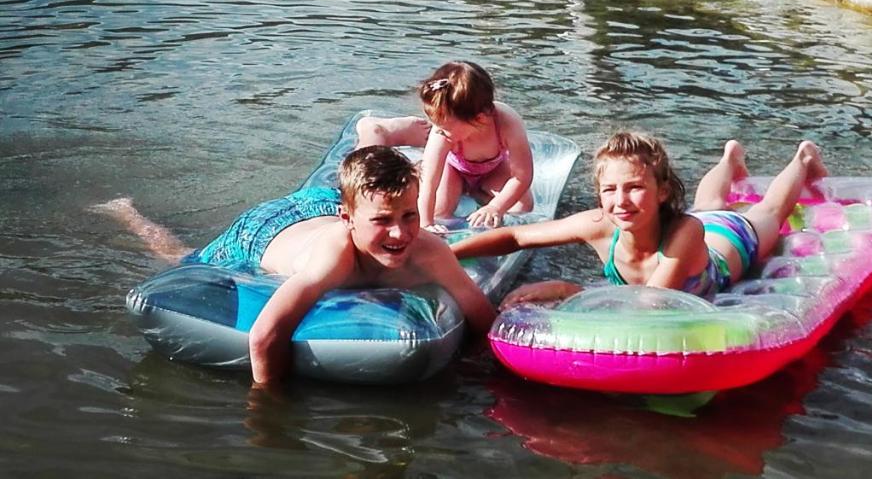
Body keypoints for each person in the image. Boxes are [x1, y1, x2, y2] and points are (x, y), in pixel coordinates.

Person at [94, 145, 496, 384]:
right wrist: (269, 412)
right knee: (181, 258)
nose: (400, 233)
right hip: (268, 230)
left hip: (324, 206)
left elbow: (483, 321)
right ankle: (125, 212)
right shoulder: (333, 259)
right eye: (384, 222)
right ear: (350, 220)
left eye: (409, 216)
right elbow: (265, 336)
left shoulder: (428, 250)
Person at [451, 130, 829, 308]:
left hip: (727, 243)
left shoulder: (686, 230)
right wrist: (449, 255)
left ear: (661, 190)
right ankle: (730, 159)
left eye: (634, 187)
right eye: (610, 190)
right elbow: (516, 238)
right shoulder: (599, 224)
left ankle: (803, 159)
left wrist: (567, 290)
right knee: (709, 199)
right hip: (697, 223)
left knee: (767, 211)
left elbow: (650, 301)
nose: (621, 201)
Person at [356, 61, 534, 231]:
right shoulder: (441, 135)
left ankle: (477, 191)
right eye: (435, 124)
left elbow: (522, 176)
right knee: (439, 211)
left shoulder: (506, 123)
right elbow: (429, 183)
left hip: (491, 169)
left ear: (479, 119)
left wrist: (496, 207)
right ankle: (387, 130)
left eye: (444, 127)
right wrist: (426, 223)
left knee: (523, 206)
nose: (438, 131)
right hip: (454, 169)